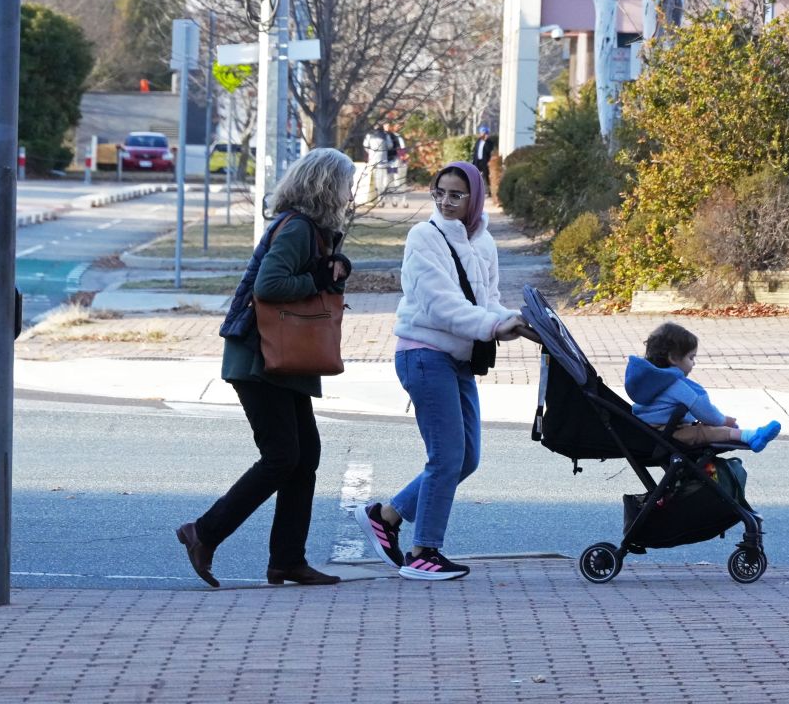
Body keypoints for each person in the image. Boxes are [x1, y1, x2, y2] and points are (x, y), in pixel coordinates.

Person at [176, 148, 355, 588]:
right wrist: (318, 279)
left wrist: (332, 267)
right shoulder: (297, 228)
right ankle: (204, 532)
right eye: (346, 184)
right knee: (282, 457)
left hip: (282, 361)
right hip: (260, 358)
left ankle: (287, 561)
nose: (350, 193)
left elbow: (303, 275)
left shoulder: (310, 230)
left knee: (304, 457)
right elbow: (270, 285)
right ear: (327, 187)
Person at [356, 161, 527, 581]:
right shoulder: (424, 237)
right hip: (424, 354)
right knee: (446, 456)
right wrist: (493, 327)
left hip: (459, 359)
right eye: (440, 193)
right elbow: (440, 305)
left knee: (466, 458)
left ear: (474, 198)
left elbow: (487, 301)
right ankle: (423, 553)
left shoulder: (483, 242)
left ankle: (386, 516)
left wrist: (515, 321)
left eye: (456, 195)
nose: (446, 202)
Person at [624, 323, 781, 452]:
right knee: (706, 432)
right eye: (691, 357)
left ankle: (750, 435)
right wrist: (723, 420)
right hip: (668, 434)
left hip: (645, 433)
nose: (694, 363)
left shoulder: (649, 381)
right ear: (673, 358)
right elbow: (705, 411)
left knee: (701, 428)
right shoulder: (676, 386)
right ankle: (751, 436)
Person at [363, 122, 396, 208]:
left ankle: (374, 199)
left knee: (374, 181)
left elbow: (365, 146)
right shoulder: (386, 135)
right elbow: (390, 146)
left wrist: (371, 153)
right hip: (383, 161)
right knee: (383, 180)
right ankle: (381, 199)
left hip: (372, 161)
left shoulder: (369, 135)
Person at [470, 125, 494, 196]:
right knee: (476, 176)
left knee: (486, 176)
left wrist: (486, 141)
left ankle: (488, 192)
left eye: (483, 133)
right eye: (481, 133)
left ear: (486, 133)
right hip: (477, 161)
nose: (481, 134)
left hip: (485, 161)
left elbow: (489, 150)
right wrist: (473, 161)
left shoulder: (489, 142)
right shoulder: (478, 141)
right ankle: (477, 191)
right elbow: (475, 151)